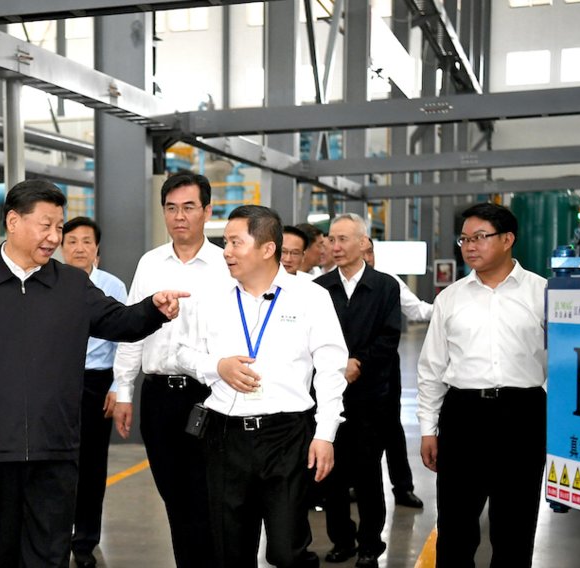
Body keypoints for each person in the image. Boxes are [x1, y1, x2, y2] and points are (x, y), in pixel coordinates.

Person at [0, 180, 189, 568]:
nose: (54, 237)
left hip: (56, 449)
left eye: (58, 227)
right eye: (45, 225)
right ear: (13, 221)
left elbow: (121, 321)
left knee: (50, 555)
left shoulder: (71, 285)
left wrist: (153, 307)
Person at [178, 206, 348, 568]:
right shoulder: (211, 296)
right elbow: (182, 351)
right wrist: (217, 367)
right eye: (225, 242)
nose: (226, 251)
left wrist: (326, 434)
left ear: (267, 248)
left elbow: (331, 368)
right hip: (225, 436)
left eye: (236, 242)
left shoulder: (310, 297)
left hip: (286, 435)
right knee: (229, 549)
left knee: (287, 550)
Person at [417, 203, 546, 568]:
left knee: (515, 525)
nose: (469, 246)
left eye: (479, 237)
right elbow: (431, 367)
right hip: (464, 416)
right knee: (456, 526)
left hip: (523, 414)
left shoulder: (543, 293)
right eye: (464, 239)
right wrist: (428, 429)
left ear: (507, 239)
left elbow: (561, 363)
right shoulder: (450, 298)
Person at [112, 172, 230, 568]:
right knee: (175, 496)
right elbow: (132, 330)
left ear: (207, 211)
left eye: (189, 208)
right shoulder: (150, 264)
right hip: (160, 395)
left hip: (211, 396)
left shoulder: (224, 264)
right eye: (171, 208)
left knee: (209, 495)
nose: (179, 217)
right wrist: (124, 391)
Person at [314, 213, 401, 568]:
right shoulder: (319, 288)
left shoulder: (385, 286)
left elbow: (389, 337)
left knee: (367, 474)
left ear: (364, 243)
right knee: (330, 475)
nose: (335, 246)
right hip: (328, 396)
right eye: (331, 239)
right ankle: (342, 540)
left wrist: (358, 363)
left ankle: (369, 543)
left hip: (369, 398)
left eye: (344, 239)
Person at [60, 216, 128, 568]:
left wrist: (118, 387)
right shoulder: (48, 282)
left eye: (86, 241)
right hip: (55, 385)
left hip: (96, 384)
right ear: (61, 246)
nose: (79, 248)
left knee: (91, 467)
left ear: (96, 248)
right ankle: (56, 537)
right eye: (71, 241)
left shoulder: (112, 286)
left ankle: (84, 542)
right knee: (55, 464)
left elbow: (125, 340)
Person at [362, 240, 429, 510]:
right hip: (343, 372)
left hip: (384, 369)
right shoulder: (328, 284)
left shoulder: (388, 282)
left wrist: (453, 310)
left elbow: (417, 310)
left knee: (390, 428)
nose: (367, 257)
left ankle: (403, 487)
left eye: (370, 251)